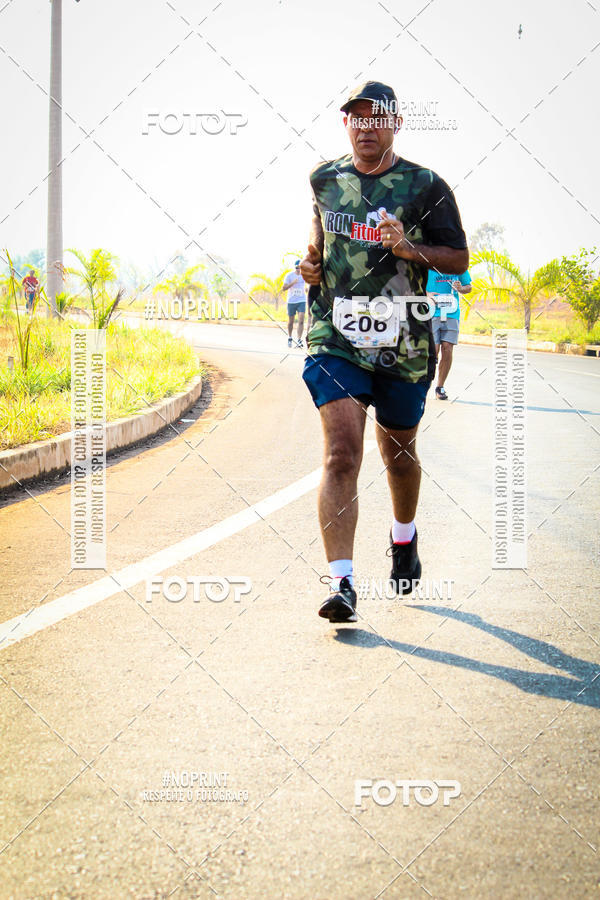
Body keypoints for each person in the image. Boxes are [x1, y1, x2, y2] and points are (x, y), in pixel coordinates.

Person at [300, 80, 468, 623]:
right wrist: (309, 265)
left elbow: (458, 260)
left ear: (396, 123)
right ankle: (342, 584)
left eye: (378, 117)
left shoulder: (425, 185)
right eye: (356, 117)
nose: (366, 126)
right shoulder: (324, 179)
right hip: (337, 336)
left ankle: (403, 538)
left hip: (404, 339)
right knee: (342, 453)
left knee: (397, 455)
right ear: (346, 124)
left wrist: (408, 247)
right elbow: (318, 246)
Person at [427, 269, 472, 400]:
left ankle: (440, 387)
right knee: (433, 351)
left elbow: (468, 287)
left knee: (447, 349)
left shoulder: (457, 263)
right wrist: (426, 294)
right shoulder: (427, 263)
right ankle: (423, 386)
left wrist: (461, 288)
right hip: (431, 312)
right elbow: (414, 283)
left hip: (451, 312)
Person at [282, 260, 307, 348]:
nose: (298, 269)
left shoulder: (304, 276)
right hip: (291, 301)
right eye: (297, 268)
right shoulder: (289, 276)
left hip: (301, 300)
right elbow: (284, 288)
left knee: (301, 320)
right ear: (294, 267)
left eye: (300, 268)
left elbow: (307, 286)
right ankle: (289, 337)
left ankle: (299, 340)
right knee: (291, 322)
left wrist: (307, 290)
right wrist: (293, 283)